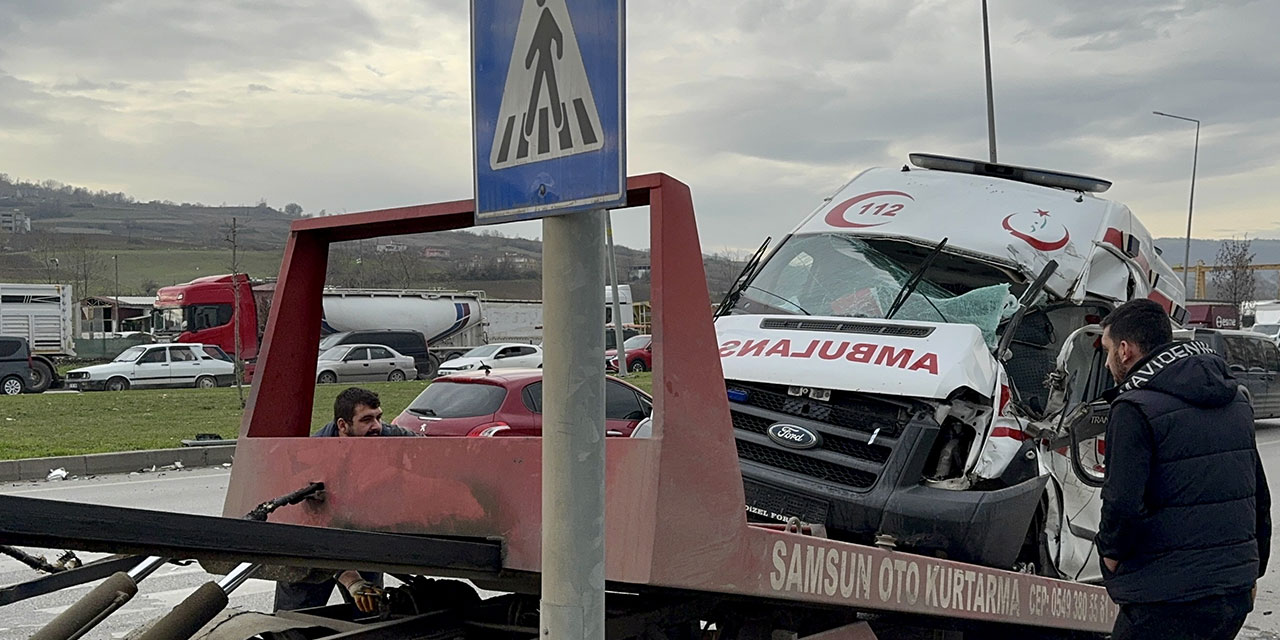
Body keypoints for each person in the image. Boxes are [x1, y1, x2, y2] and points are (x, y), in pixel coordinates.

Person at [1096, 299, 1271, 639]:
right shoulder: (1234, 399)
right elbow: (1257, 495)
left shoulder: (1134, 407)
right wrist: (1252, 572)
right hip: (1231, 594)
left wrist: (1110, 555)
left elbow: (1122, 503)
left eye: (1106, 351)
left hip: (1166, 597)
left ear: (1125, 349)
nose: (1105, 363)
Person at [274, 387, 418, 613]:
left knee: (371, 614)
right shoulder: (311, 457)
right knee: (292, 624)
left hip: (361, 538)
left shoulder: (385, 435)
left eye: (379, 417)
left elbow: (427, 450)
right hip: (311, 551)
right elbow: (314, 532)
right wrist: (351, 579)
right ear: (343, 425)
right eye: (367, 420)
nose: (377, 426)